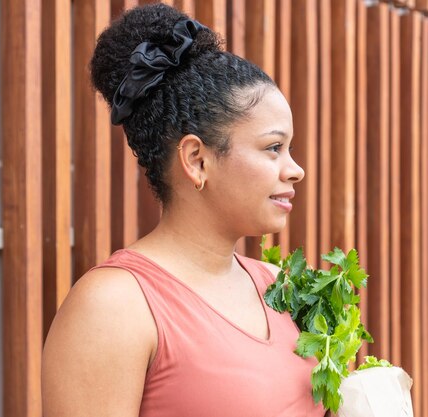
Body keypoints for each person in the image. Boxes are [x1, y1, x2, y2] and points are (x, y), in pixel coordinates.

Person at [42, 4, 324, 416]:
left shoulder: (281, 287)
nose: (295, 170)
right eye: (273, 148)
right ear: (196, 159)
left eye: (290, 148)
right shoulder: (114, 307)